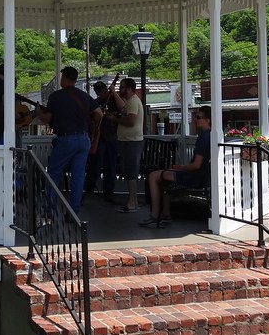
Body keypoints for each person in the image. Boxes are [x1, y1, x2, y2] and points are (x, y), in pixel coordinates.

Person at [36, 66, 102, 215]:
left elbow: (47, 119)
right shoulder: (84, 96)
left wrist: (40, 113)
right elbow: (99, 113)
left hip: (66, 139)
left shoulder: (56, 97)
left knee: (53, 174)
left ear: (64, 78)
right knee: (78, 177)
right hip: (83, 139)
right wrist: (91, 125)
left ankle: (49, 210)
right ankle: (73, 212)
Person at [139, 106, 212, 228]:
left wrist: (180, 167)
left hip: (195, 177)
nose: (195, 120)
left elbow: (196, 165)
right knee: (164, 180)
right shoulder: (211, 136)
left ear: (207, 120)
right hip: (203, 176)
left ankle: (155, 215)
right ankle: (166, 214)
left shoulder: (203, 138)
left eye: (198, 117)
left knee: (153, 176)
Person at [110, 77, 144, 212]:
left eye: (122, 87)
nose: (120, 90)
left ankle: (132, 202)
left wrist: (115, 119)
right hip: (127, 141)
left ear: (129, 88)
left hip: (132, 141)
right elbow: (122, 109)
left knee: (131, 172)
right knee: (128, 172)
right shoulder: (129, 102)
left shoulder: (134, 102)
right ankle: (133, 201)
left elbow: (131, 121)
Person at [86, 79, 120, 204]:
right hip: (99, 137)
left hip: (111, 136)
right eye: (101, 91)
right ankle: (90, 187)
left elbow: (121, 111)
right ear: (97, 93)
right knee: (95, 162)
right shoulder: (95, 103)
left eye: (105, 90)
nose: (104, 92)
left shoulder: (114, 100)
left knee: (110, 165)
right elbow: (90, 119)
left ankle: (109, 191)